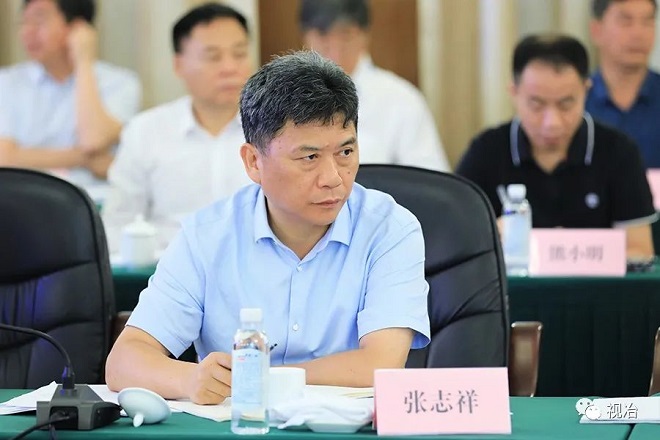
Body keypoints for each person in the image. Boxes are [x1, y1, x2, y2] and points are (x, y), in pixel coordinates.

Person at [105, 50, 431, 404]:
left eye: (345, 153)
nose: (333, 178)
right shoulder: (207, 235)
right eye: (309, 157)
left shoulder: (389, 229)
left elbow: (380, 365)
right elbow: (124, 362)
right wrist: (190, 379)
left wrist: (255, 378)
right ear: (253, 162)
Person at [456, 34, 657, 257]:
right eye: (537, 104)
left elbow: (640, 250)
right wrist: (490, 237)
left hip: (595, 281)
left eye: (565, 104)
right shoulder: (487, 151)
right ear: (514, 93)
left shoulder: (619, 152)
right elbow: (456, 244)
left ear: (586, 91)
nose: (552, 122)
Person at [102, 3, 253, 252]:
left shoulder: (276, 129)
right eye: (213, 56)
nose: (229, 67)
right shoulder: (145, 131)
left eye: (239, 54)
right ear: (179, 65)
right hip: (168, 265)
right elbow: (117, 225)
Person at [0, 0, 141, 194]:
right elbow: (4, 158)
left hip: (93, 200)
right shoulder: (7, 82)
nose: (27, 32)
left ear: (77, 28)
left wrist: (83, 62)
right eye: (24, 23)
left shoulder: (120, 83)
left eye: (39, 21)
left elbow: (93, 140)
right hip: (25, 198)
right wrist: (86, 159)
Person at [299, 0, 450, 171]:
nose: (334, 47)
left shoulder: (403, 100)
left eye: (345, 34)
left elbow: (430, 180)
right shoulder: (288, 98)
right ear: (305, 36)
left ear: (365, 35)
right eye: (323, 34)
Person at [586, 0, 660, 168]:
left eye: (648, 22)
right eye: (626, 21)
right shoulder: (575, 102)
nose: (638, 34)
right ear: (596, 30)